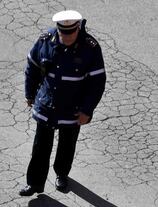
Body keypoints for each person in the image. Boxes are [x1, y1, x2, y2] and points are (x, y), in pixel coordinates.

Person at [19, 10, 106, 196]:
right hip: (47, 104)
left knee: (67, 145)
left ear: (77, 29)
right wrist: (29, 94)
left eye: (71, 33)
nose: (67, 37)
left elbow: (97, 83)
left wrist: (87, 110)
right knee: (40, 147)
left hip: (72, 109)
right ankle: (34, 184)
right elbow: (32, 68)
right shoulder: (45, 41)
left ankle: (61, 174)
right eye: (63, 33)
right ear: (58, 30)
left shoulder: (90, 48)